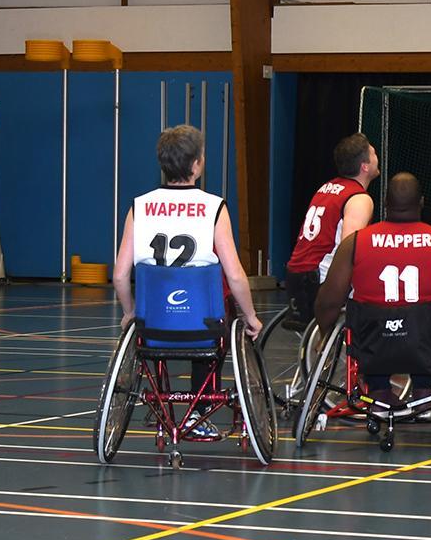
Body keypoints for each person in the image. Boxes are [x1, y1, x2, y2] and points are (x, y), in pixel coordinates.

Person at [112, 124, 261, 438]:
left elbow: (120, 275)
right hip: (202, 327)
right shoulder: (214, 207)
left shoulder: (140, 207)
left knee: (158, 316)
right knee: (220, 310)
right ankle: (199, 411)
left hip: (153, 325)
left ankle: (162, 402)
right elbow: (235, 274)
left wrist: (129, 312)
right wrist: (250, 317)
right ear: (196, 164)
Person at [314, 172, 431, 408]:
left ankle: (379, 391)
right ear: (422, 202)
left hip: (372, 342)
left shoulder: (354, 243)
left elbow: (329, 301)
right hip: (425, 343)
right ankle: (423, 390)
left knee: (366, 321)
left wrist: (325, 332)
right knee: (430, 322)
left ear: (385, 203)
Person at [284, 133, 378, 325]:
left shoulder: (326, 188)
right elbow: (349, 249)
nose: (378, 157)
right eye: (374, 153)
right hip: (319, 282)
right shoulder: (359, 198)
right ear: (365, 166)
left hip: (296, 277)